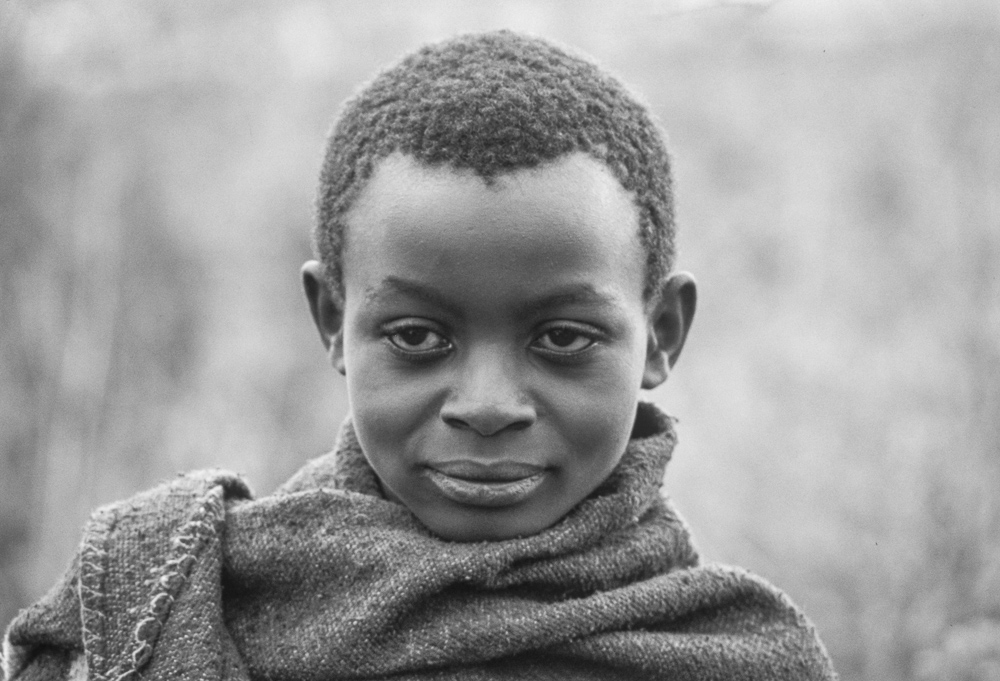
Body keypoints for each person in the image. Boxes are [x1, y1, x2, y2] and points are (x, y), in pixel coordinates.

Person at [3, 30, 838, 680]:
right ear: (333, 319)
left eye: (562, 338)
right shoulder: (169, 606)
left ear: (660, 334)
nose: (486, 401)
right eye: (417, 336)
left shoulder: (732, 651)